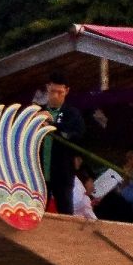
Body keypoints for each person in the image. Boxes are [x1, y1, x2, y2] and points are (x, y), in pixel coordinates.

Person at [42, 70, 85, 215]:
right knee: (37, 210)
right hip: (40, 172)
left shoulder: (72, 114)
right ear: (47, 88)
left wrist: (53, 124)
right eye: (53, 91)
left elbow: (76, 137)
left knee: (65, 210)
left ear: (66, 91)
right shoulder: (38, 111)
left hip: (62, 172)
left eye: (59, 92)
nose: (55, 95)